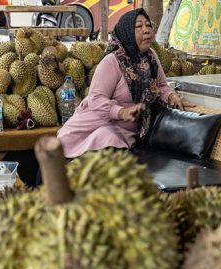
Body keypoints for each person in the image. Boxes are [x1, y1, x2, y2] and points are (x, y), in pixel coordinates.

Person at [56, 8, 190, 159]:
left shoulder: (151, 58)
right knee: (104, 138)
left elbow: (161, 86)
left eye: (148, 25)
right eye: (139, 26)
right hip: (94, 125)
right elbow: (95, 99)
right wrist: (121, 112)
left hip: (125, 133)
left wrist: (171, 96)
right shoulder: (112, 61)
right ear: (126, 32)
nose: (146, 30)